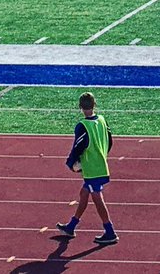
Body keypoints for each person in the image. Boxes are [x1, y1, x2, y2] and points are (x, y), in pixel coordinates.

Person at [56, 92, 118, 245]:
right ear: (94, 104)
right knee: (84, 193)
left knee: (97, 198)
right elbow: (110, 141)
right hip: (100, 164)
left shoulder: (82, 126)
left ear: (80, 107)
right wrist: (102, 154)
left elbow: (78, 146)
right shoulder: (102, 120)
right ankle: (71, 226)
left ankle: (110, 231)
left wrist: (71, 163)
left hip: (92, 168)